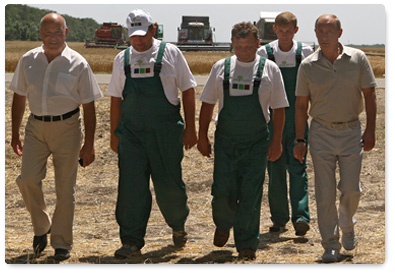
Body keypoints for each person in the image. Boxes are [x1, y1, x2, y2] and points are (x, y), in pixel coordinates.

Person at [10, 13, 102, 261]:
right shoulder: (28, 60)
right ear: (40, 33)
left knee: (65, 190)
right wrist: (14, 132)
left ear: (66, 32)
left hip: (68, 128)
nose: (52, 37)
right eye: (47, 33)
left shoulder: (79, 63)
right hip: (35, 127)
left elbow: (89, 106)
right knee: (27, 179)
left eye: (57, 32)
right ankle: (42, 226)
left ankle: (61, 242)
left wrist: (89, 144)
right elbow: (19, 96)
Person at [108, 9, 198, 258]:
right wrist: (115, 133)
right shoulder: (121, 59)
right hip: (132, 135)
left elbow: (188, 90)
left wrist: (191, 128)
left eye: (143, 34)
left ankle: (178, 225)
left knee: (169, 186)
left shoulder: (170, 53)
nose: (139, 40)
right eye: (134, 35)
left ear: (153, 30)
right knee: (131, 188)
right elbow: (116, 98)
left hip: (166, 133)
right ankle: (131, 240)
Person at [198, 22, 288, 260]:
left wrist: (276, 141)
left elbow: (279, 109)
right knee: (222, 191)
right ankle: (223, 222)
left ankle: (247, 243)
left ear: (258, 44)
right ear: (232, 44)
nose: (243, 51)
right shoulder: (221, 67)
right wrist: (201, 135)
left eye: (248, 47)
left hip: (257, 142)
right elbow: (207, 103)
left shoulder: (270, 69)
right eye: (238, 47)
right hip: (226, 141)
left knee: (251, 193)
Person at [294, 14, 377, 263]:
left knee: (351, 188)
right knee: (324, 192)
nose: (324, 36)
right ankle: (330, 244)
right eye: (320, 31)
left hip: (352, 132)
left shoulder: (357, 58)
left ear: (340, 33)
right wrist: (300, 139)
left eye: (329, 31)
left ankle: (347, 224)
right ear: (315, 34)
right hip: (321, 132)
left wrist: (371, 129)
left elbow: (370, 95)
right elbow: (300, 105)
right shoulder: (307, 65)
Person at [256, 11, 313, 236]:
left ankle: (301, 217)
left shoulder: (305, 52)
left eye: (289, 31)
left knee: (298, 167)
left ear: (296, 31)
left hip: (298, 119)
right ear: (275, 31)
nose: (286, 34)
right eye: (281, 31)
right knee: (275, 170)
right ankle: (279, 220)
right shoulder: (265, 53)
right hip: (273, 121)